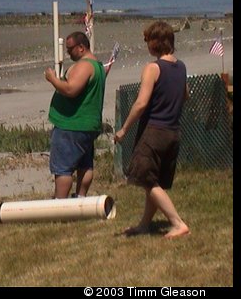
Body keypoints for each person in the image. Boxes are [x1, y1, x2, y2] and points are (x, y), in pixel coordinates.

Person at [114, 21, 190, 239]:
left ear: (156, 42)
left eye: (148, 40)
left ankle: (177, 223)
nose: (146, 44)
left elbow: (140, 103)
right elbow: (185, 95)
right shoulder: (181, 67)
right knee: (154, 181)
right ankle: (145, 225)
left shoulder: (153, 68)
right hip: (173, 132)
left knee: (145, 178)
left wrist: (124, 129)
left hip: (154, 131)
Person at [44, 31, 106, 199]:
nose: (68, 53)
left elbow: (71, 89)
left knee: (63, 168)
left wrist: (53, 80)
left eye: (70, 49)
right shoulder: (98, 66)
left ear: (81, 47)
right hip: (87, 124)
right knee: (84, 164)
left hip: (72, 124)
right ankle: (80, 197)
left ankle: (60, 203)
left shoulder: (85, 66)